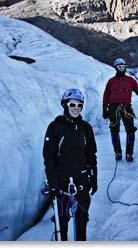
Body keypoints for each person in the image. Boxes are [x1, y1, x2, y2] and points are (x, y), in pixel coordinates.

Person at [43, 88, 98, 241]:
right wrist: (53, 183)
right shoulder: (55, 127)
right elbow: (49, 158)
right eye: (72, 104)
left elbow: (91, 155)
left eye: (80, 105)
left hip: (81, 182)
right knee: (62, 222)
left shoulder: (86, 128)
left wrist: (94, 177)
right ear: (65, 105)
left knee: (82, 220)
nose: (76, 108)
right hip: (62, 184)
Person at [102, 58, 138, 162]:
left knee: (130, 130)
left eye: (123, 66)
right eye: (119, 67)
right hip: (113, 107)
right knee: (114, 130)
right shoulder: (111, 81)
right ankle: (118, 152)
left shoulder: (130, 80)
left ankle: (129, 153)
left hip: (126, 107)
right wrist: (104, 109)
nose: (121, 68)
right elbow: (106, 96)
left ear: (125, 67)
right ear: (116, 68)